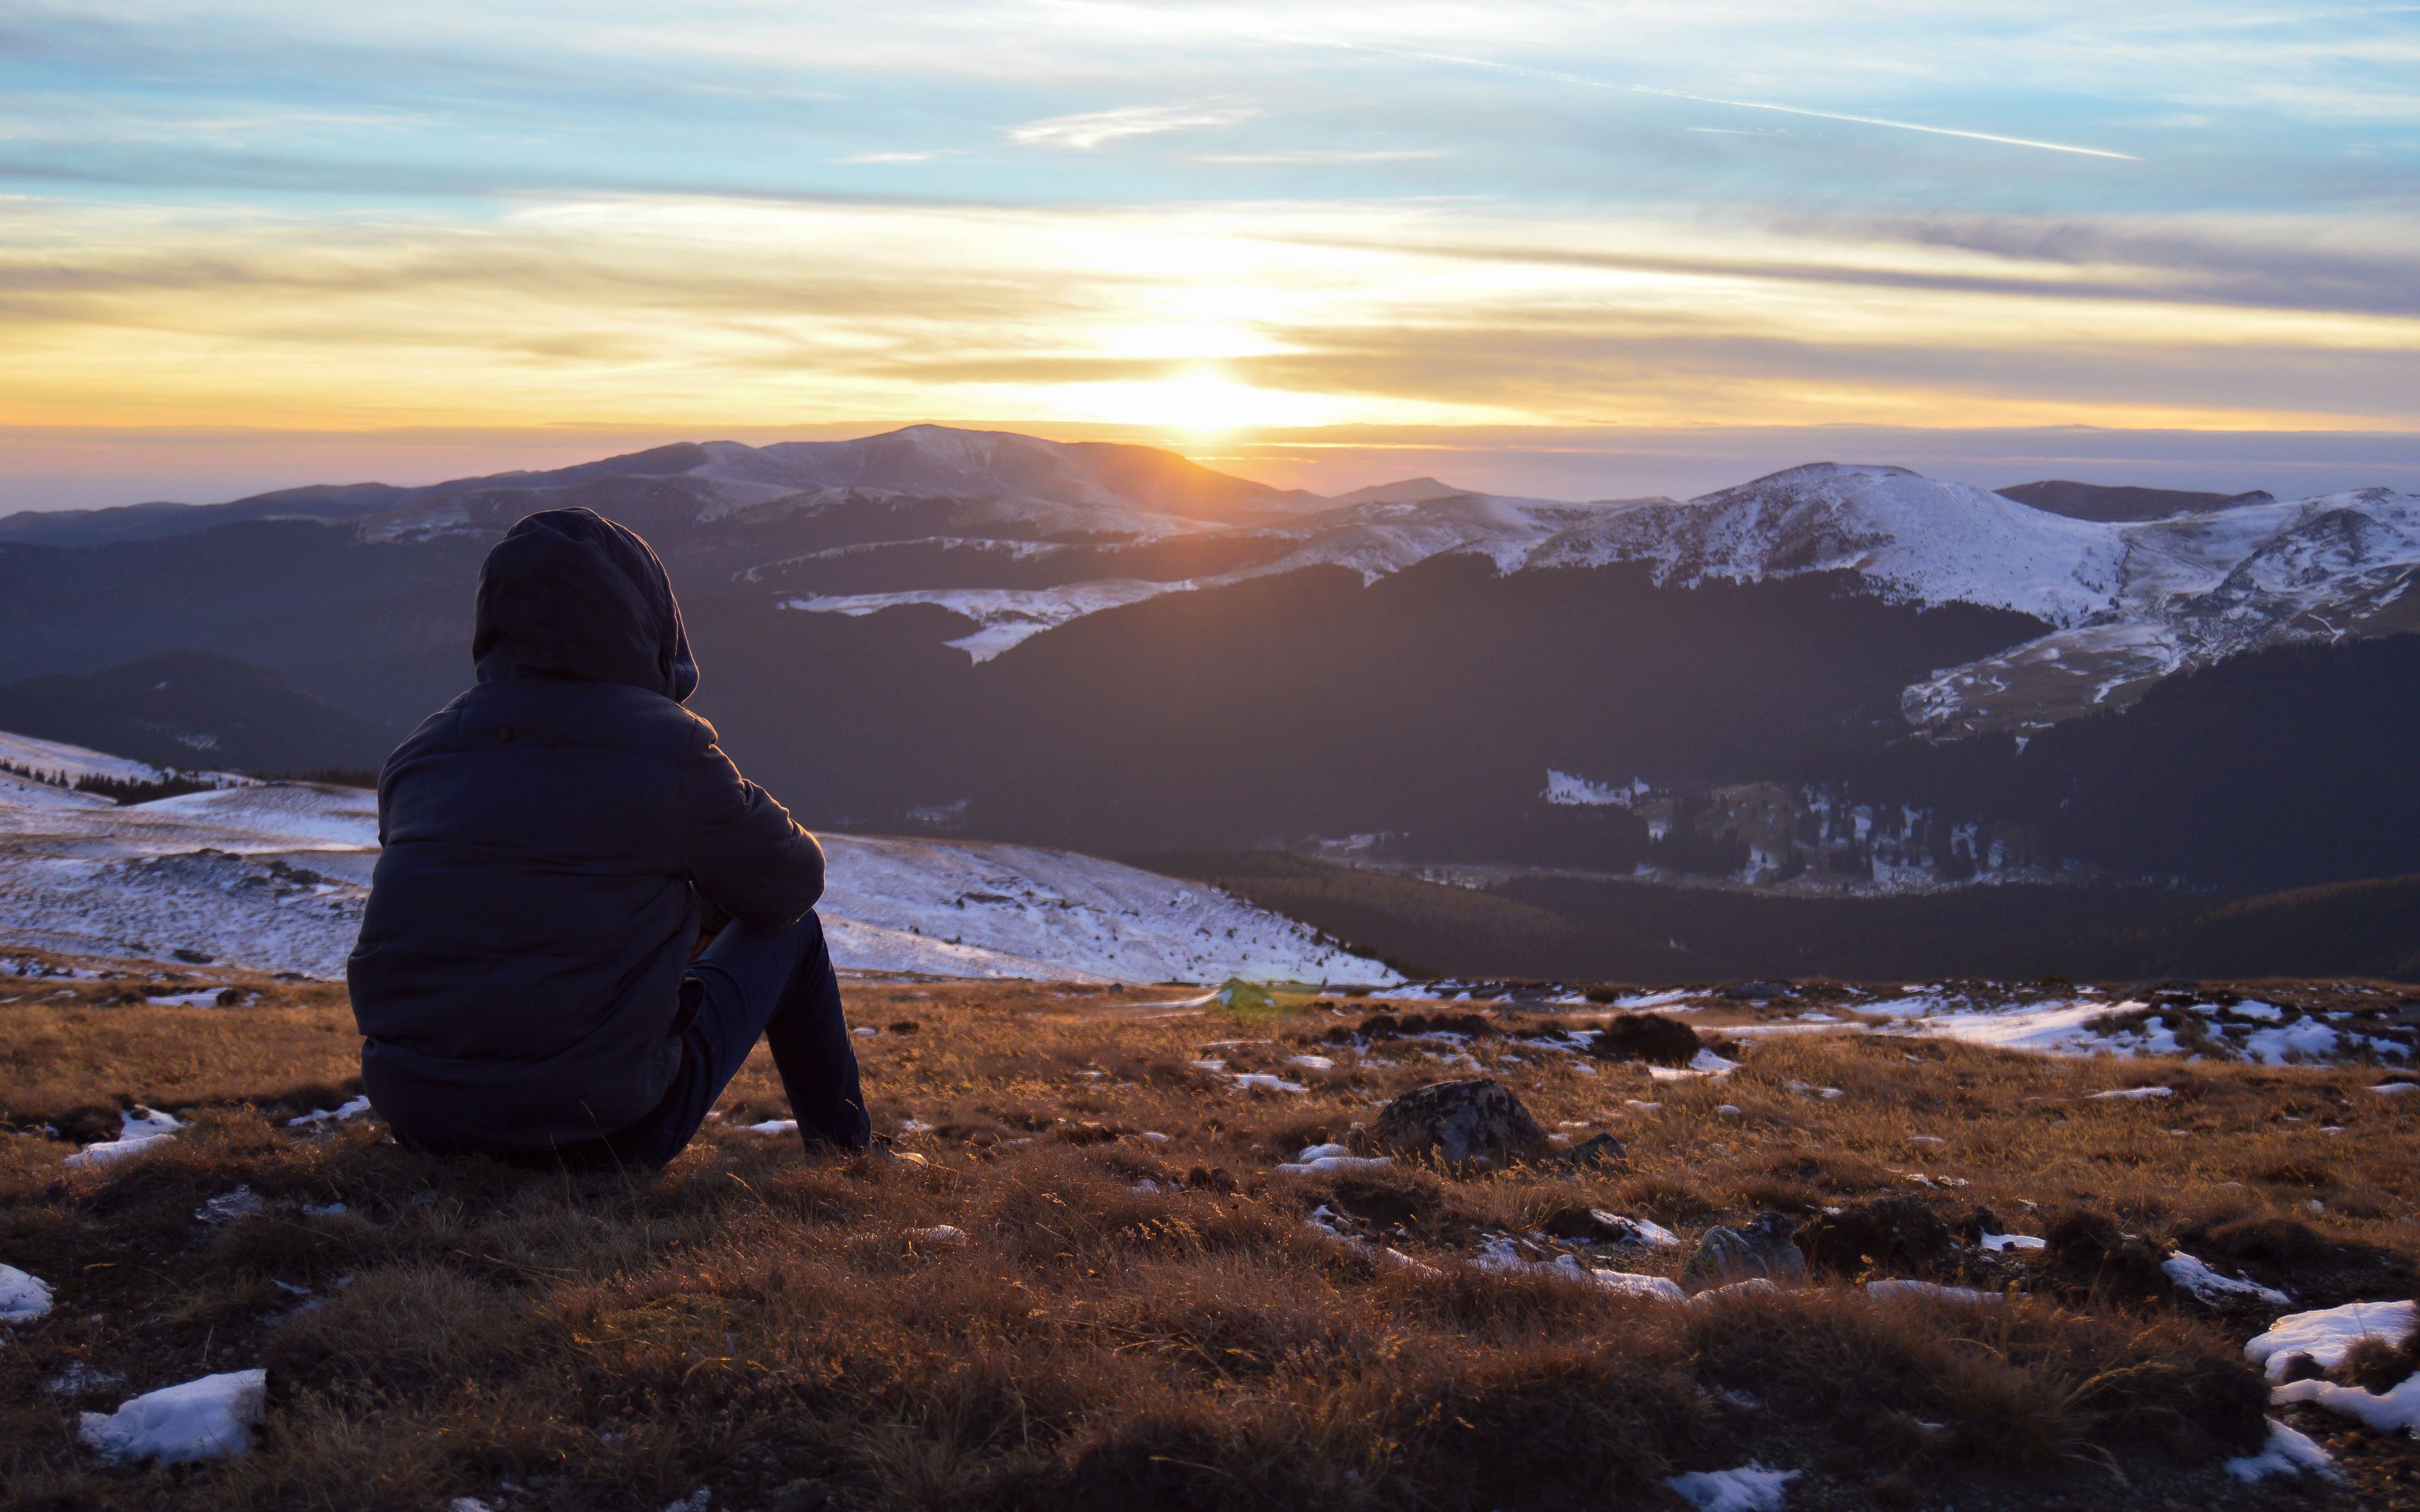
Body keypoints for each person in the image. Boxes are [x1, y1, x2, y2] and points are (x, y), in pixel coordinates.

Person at [346, 507, 870, 1166]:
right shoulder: (665, 750)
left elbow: (496, 904)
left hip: (420, 1119)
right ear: (650, 618)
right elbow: (792, 881)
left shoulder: (420, 755)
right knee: (791, 931)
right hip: (598, 1133)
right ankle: (848, 1155)